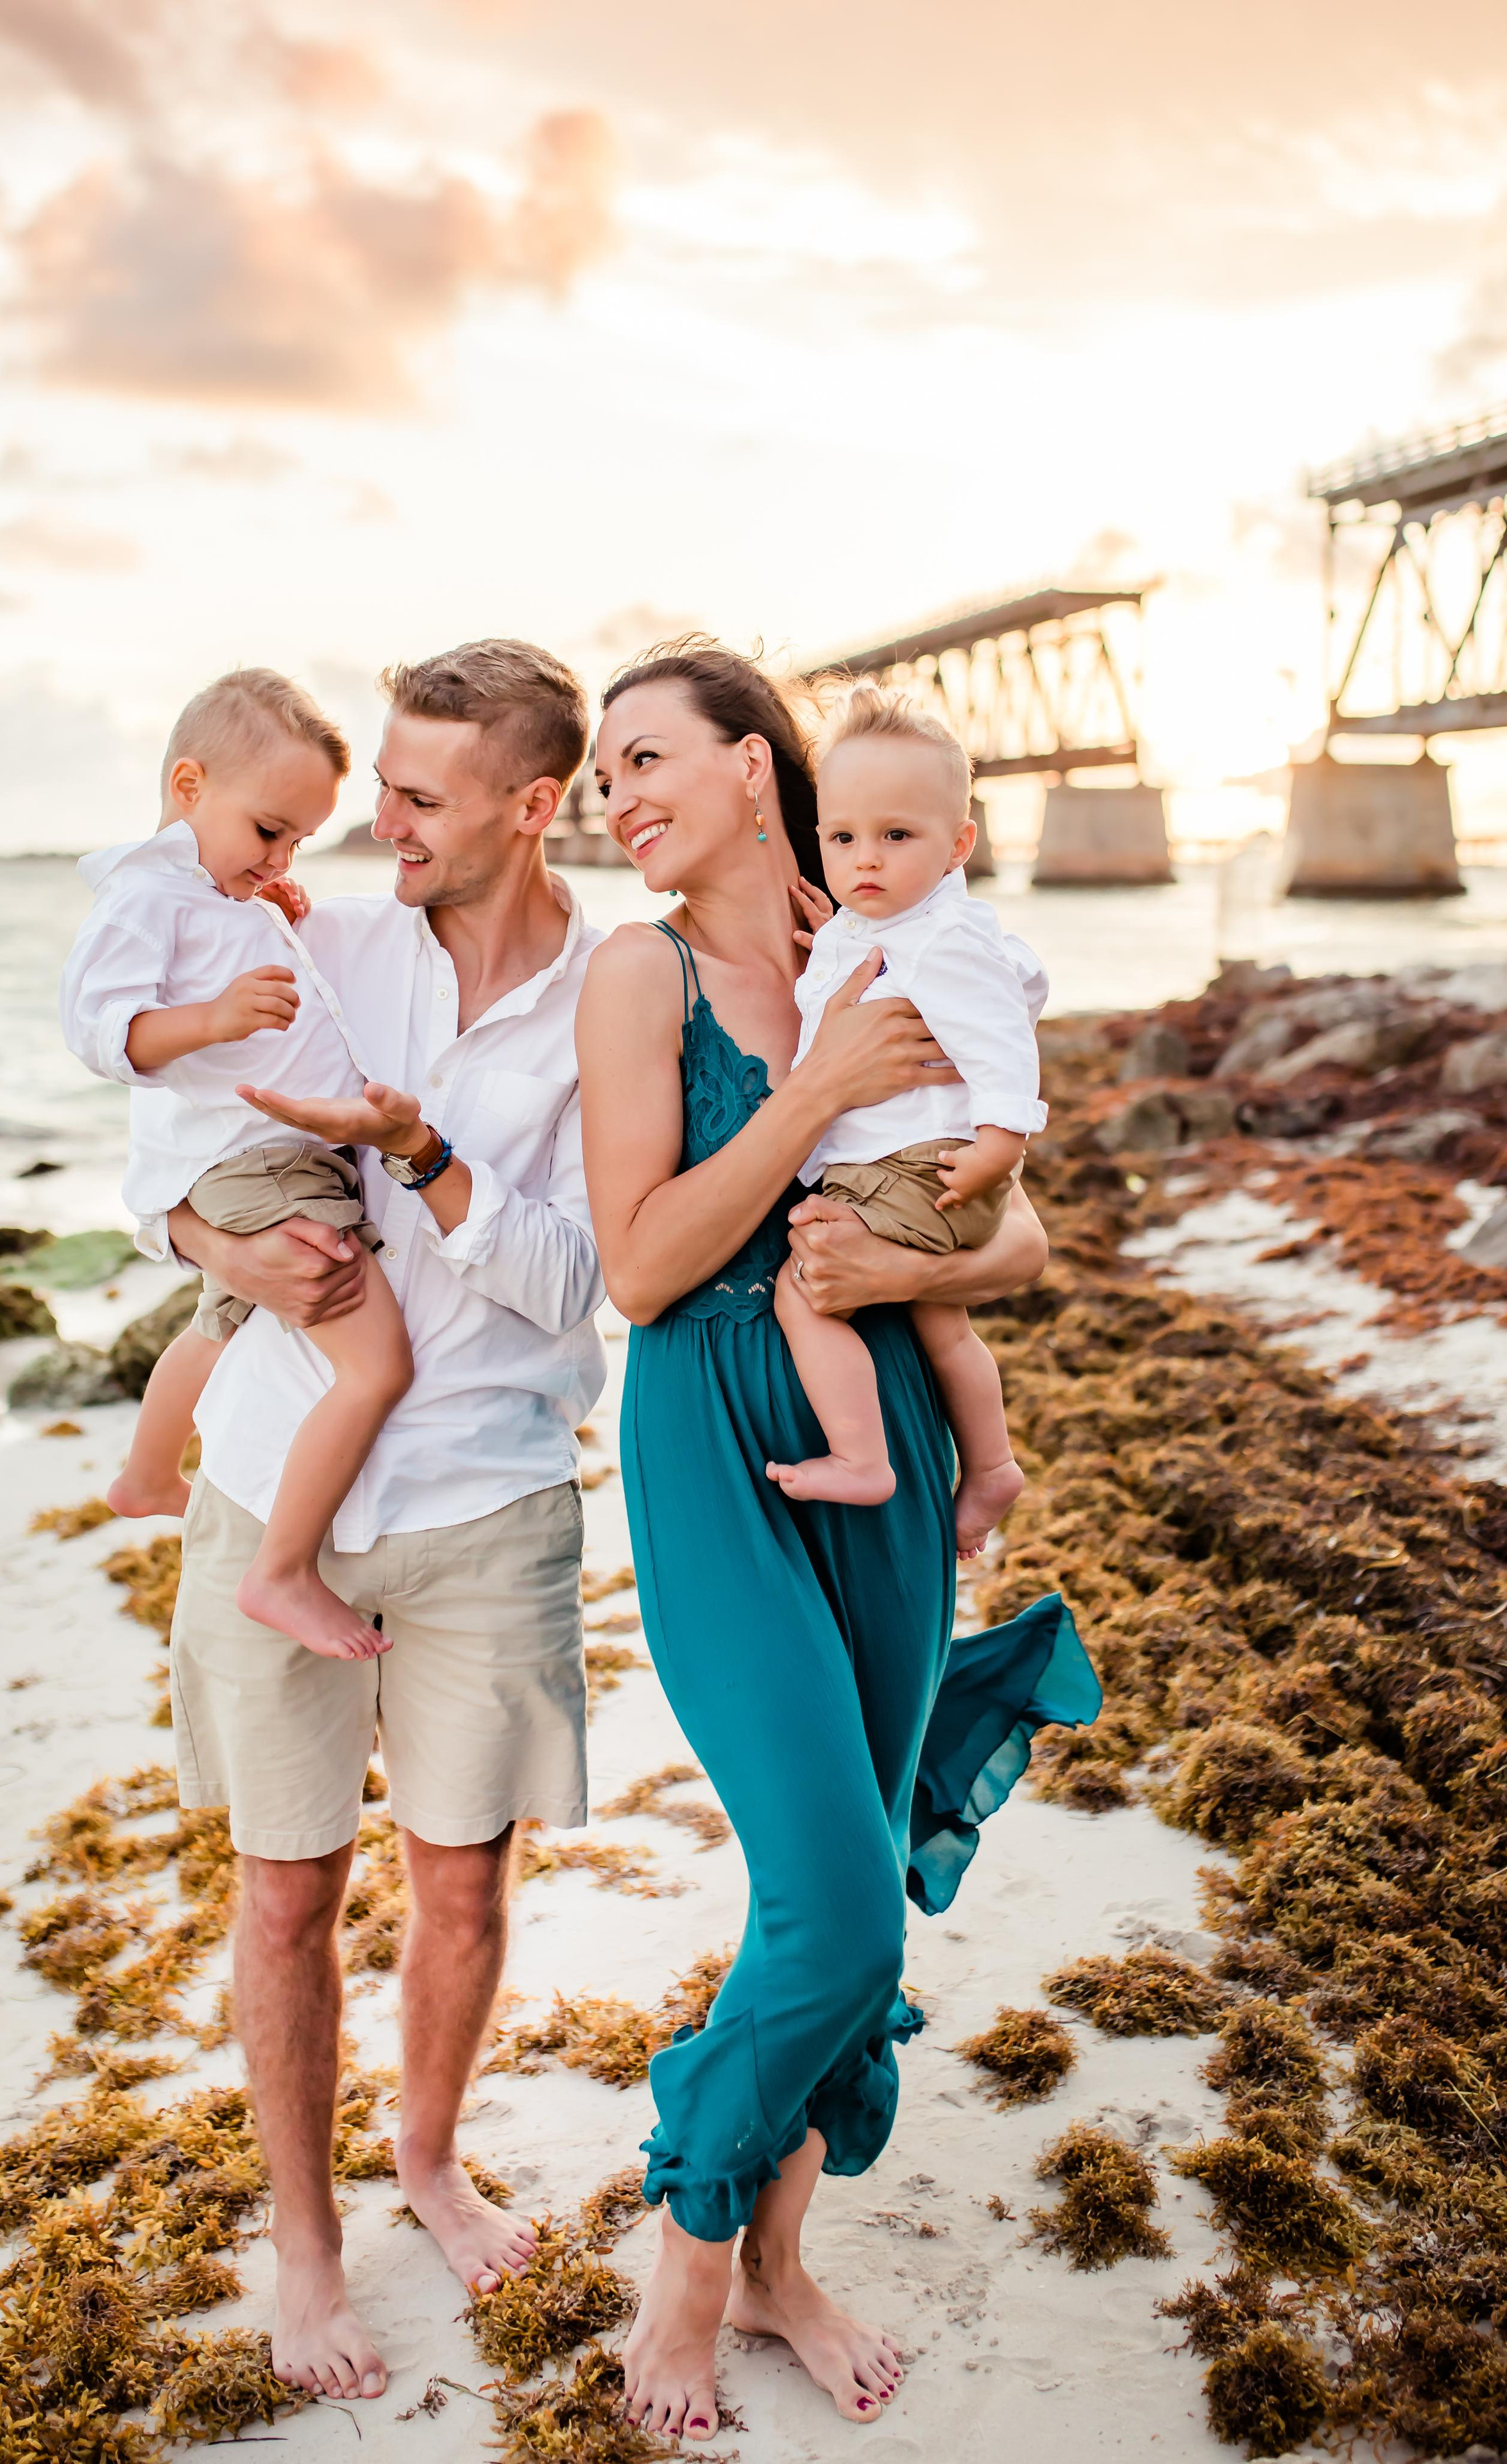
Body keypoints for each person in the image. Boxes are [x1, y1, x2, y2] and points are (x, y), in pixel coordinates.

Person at [575, 638, 1096, 2443]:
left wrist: (899, 1259)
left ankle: (785, 2255)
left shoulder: (886, 928)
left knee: (858, 1871)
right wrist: (807, 1104)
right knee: (839, 1898)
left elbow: (1021, 1235)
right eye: (597, 778)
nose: (617, 799)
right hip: (713, 1439)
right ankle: (695, 2256)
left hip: (870, 1423)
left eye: (644, 758)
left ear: (747, 764)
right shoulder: (634, 977)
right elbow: (641, 1267)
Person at [158, 640, 604, 2403]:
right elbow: (161, 1142)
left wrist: (421, 1154)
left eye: (422, 798)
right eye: (383, 790)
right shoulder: (318, 944)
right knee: (281, 1899)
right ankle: (306, 2247)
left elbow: (583, 1285)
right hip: (280, 1475)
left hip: (492, 1491)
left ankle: (425, 2162)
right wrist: (209, 1246)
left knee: (466, 1889)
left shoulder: (615, 997)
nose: (383, 829)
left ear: (531, 802)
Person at [62, 667, 414, 1663]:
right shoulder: (147, 896)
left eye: (299, 840)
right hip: (259, 1161)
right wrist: (212, 1018)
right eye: (269, 832)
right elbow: (100, 1031)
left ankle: (143, 1478)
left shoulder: (221, 893)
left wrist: (273, 907)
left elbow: (248, 952)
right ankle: (283, 1571)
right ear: (188, 787)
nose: (280, 857)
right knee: (377, 1362)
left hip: (271, 1159)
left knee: (218, 1322)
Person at [769, 683, 1047, 1557]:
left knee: (803, 1291)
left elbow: (1002, 1038)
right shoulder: (878, 927)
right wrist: (836, 943)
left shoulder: (945, 940)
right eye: (844, 837)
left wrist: (1001, 1148)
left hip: (926, 1165)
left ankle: (862, 1457)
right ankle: (992, 1465)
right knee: (943, 1324)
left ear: (959, 844)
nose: (866, 860)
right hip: (918, 1161)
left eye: (897, 837)